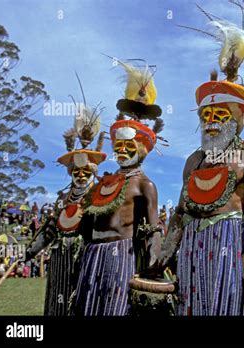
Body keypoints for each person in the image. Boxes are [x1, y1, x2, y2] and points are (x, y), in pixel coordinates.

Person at [157, 2, 244, 316]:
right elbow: (180, 215)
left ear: (236, 119)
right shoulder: (194, 161)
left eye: (219, 115)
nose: (210, 121)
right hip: (192, 248)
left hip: (232, 247)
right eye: (205, 115)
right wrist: (166, 253)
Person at [71, 60, 164, 316]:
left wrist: (154, 266)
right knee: (86, 309)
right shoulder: (104, 183)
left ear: (143, 149)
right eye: (118, 147)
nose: (122, 151)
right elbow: (83, 224)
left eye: (128, 146)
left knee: (115, 309)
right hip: (91, 253)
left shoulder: (145, 185)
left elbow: (154, 228)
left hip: (120, 253)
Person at [26, 89, 107, 316]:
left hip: (85, 257)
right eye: (77, 172)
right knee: (57, 302)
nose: (81, 175)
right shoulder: (63, 198)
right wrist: (30, 252)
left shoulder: (98, 196)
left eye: (85, 172)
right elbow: (50, 229)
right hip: (60, 257)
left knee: (80, 302)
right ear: (71, 173)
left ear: (92, 173)